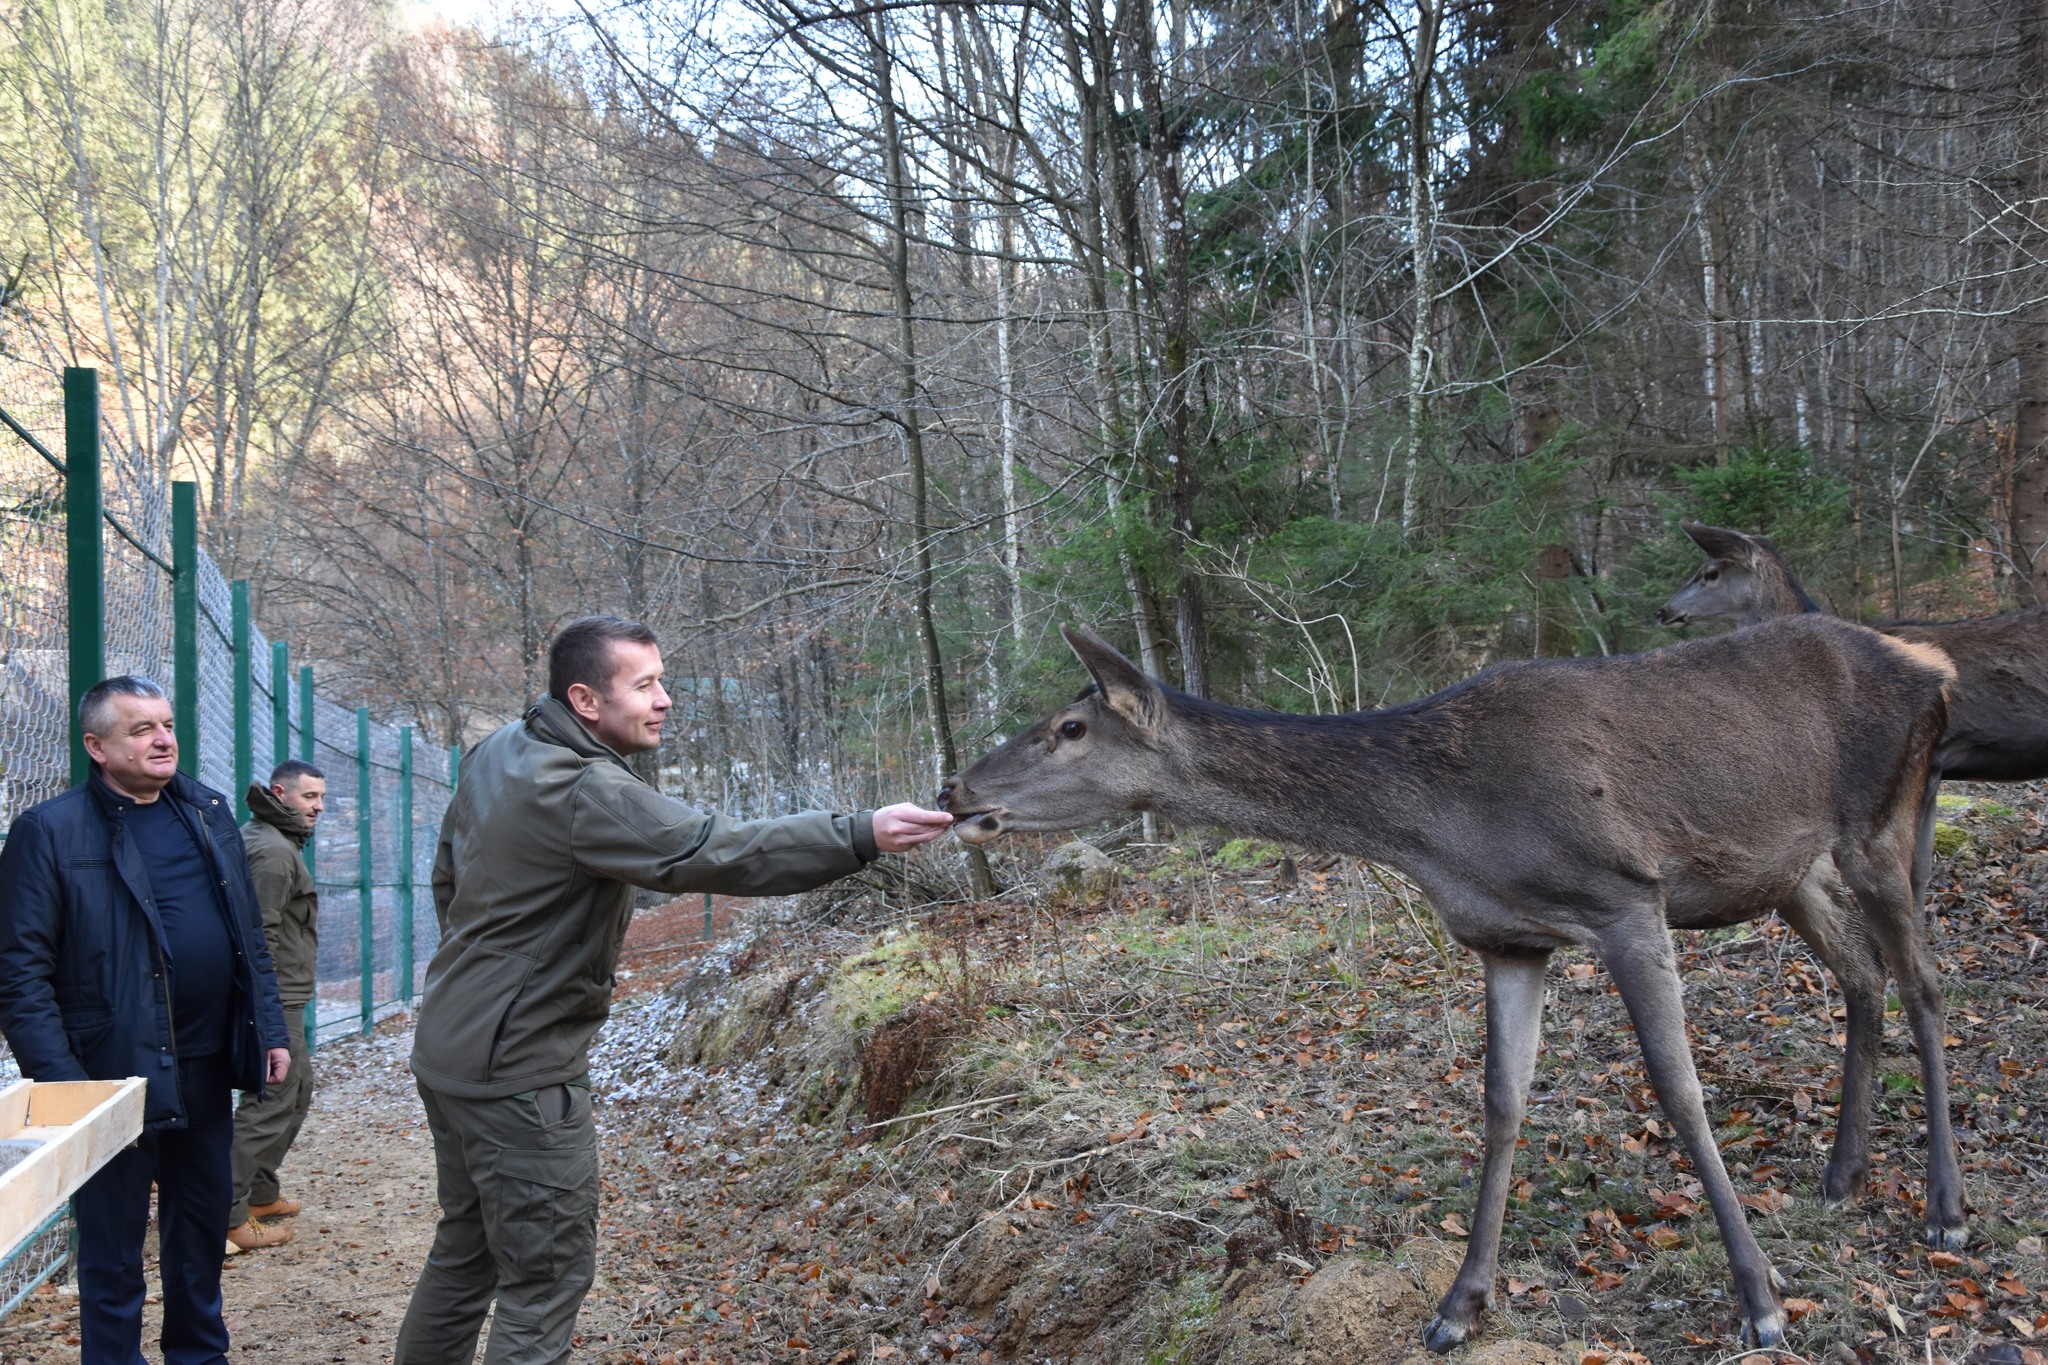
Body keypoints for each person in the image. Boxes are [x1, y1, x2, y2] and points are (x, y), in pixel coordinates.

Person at [395, 616, 954, 1365]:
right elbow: (714, 849)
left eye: (663, 679)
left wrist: (483, 979)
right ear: (586, 699)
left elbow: (448, 876)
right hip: (519, 1072)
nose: (666, 699)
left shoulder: (498, 750)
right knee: (545, 1277)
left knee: (466, 1253)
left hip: (452, 1047)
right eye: (645, 684)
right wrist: (860, 832)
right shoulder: (582, 786)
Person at [0, 675, 291, 1365]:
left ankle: (199, 1355)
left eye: (165, 724)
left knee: (198, 1237)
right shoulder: (48, 830)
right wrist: (68, 1088)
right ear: (97, 746)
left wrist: (270, 1028)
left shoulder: (209, 811)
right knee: (113, 1251)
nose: (163, 739)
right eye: (141, 729)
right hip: (109, 1079)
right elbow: (18, 973)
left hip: (207, 1065)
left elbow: (248, 936)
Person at [226, 758, 326, 1254]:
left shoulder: (279, 843)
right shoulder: (271, 852)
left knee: (297, 1090)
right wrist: (265, 1007)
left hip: (287, 993)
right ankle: (225, 1216)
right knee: (271, 1099)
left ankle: (260, 1193)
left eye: (321, 798)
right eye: (309, 797)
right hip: (275, 997)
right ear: (280, 793)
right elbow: (257, 937)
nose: (318, 807)